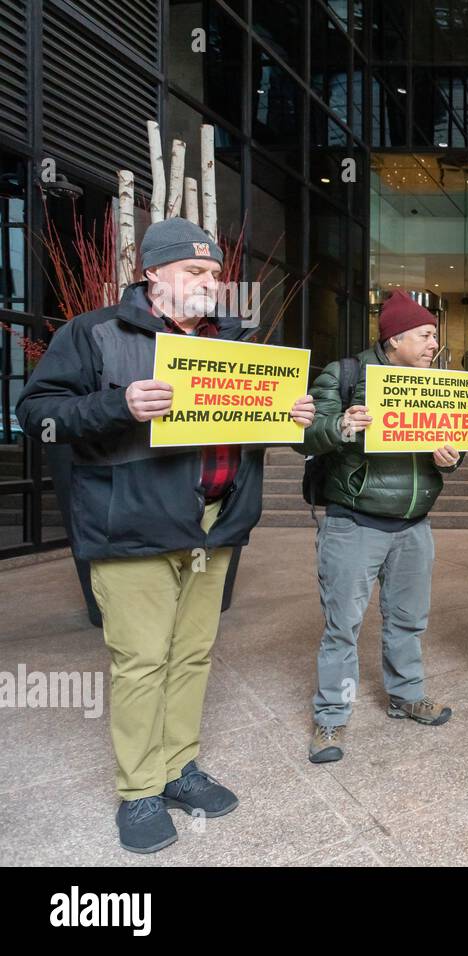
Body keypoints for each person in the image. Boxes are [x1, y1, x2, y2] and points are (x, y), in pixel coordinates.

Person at [16, 217, 316, 853]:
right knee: (141, 661)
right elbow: (37, 415)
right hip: (132, 523)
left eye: (214, 273)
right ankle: (139, 790)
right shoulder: (95, 333)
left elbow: (252, 428)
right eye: (194, 272)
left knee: (192, 654)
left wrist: (291, 419)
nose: (210, 283)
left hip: (215, 522)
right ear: (152, 274)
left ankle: (179, 768)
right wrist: (117, 405)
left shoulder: (238, 344)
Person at [299, 291, 462, 764]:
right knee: (342, 626)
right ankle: (331, 717)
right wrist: (343, 426)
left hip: (414, 525)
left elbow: (455, 448)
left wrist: (449, 459)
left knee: (409, 619)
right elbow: (305, 435)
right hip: (355, 522)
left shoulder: (438, 384)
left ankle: (405, 694)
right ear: (395, 339)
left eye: (435, 335)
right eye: (426, 335)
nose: (434, 344)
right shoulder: (344, 374)